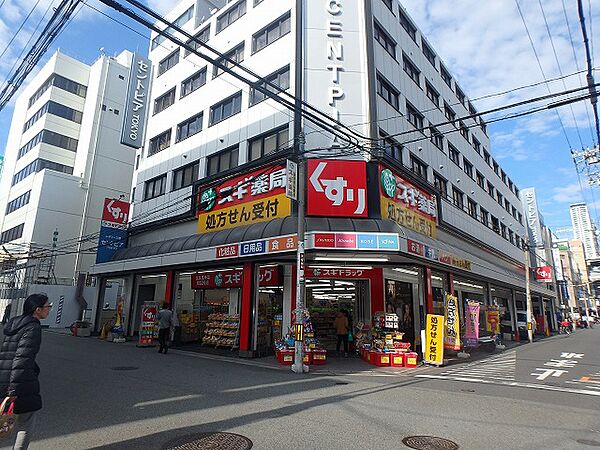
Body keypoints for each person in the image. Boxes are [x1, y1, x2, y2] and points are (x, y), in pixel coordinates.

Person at [0, 293, 51, 450]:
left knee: (3, 421)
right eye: (48, 306)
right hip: (19, 382)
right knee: (26, 421)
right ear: (37, 309)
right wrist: (14, 390)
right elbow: (23, 358)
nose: (49, 309)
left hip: (3, 376)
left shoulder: (14, 325)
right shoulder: (33, 327)